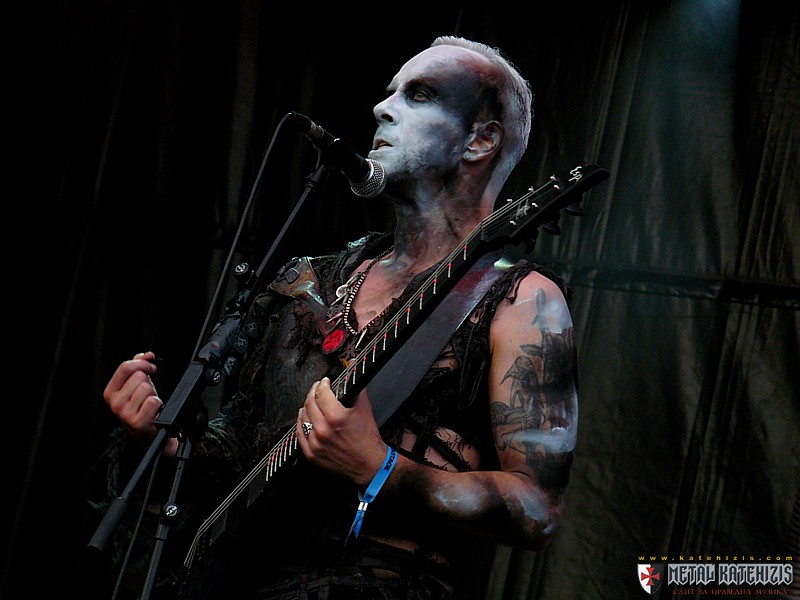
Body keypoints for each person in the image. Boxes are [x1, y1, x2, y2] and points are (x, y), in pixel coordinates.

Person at [98, 35, 579, 600]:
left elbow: (537, 510)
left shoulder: (521, 301)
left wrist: (381, 469)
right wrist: (163, 445)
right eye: (390, 92)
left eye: (419, 95)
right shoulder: (309, 281)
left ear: (480, 140)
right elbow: (241, 449)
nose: (382, 108)